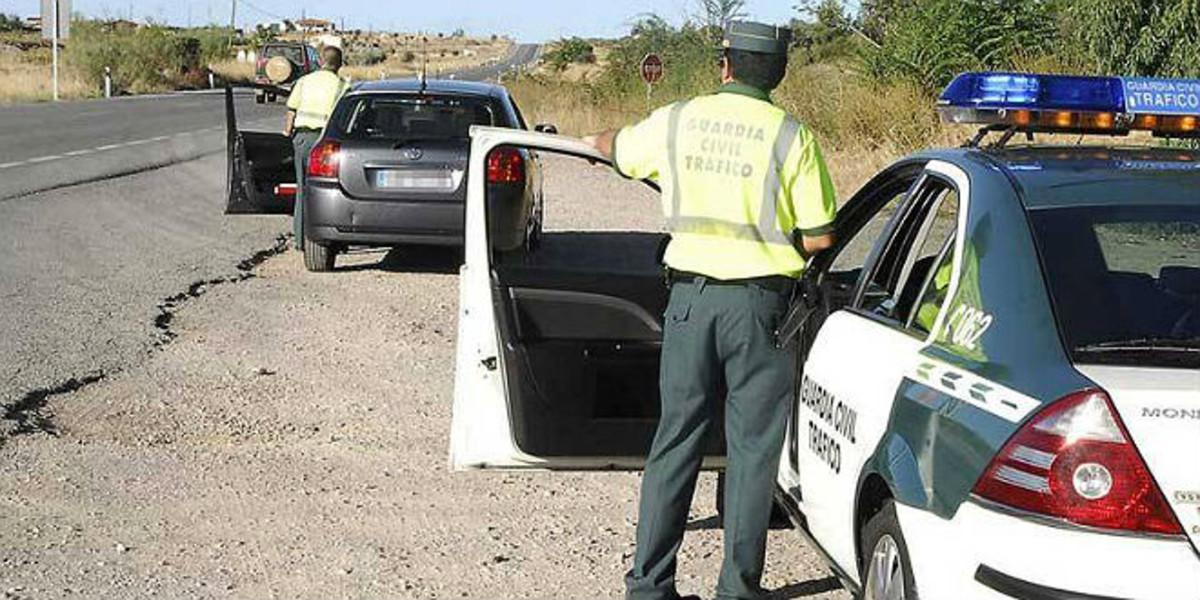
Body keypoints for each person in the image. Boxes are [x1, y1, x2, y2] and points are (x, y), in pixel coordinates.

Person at [583, 20, 837, 600]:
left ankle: (649, 586)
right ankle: (738, 588)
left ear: (724, 66)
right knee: (752, 454)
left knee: (676, 441)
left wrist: (596, 141)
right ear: (778, 72)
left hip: (691, 304)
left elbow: (615, 148)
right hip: (763, 310)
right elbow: (821, 237)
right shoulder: (792, 137)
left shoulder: (677, 119)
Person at [283, 45, 348, 250]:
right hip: (326, 143)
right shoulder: (342, 85)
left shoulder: (304, 81)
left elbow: (291, 110)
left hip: (302, 139)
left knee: (303, 191)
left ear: (320, 62)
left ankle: (301, 241)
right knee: (329, 190)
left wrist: (288, 132)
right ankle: (330, 240)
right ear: (340, 65)